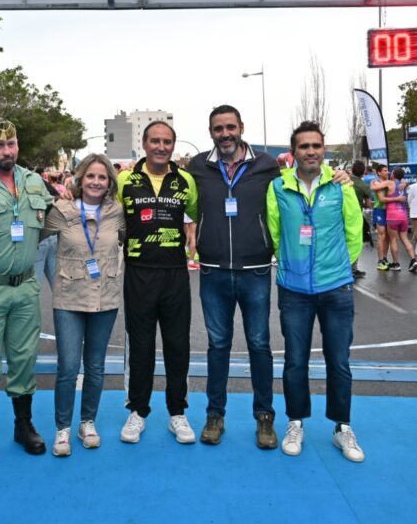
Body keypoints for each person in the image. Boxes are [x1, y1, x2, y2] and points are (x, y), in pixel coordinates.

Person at [266, 122, 364, 462]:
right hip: (294, 290)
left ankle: (342, 428)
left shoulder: (340, 185)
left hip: (336, 287)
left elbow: (354, 228)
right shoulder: (277, 187)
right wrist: (292, 265)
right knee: (295, 362)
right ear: (294, 152)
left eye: (316, 146)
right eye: (304, 146)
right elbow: (275, 232)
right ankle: (296, 422)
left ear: (324, 150)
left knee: (339, 361)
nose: (310, 151)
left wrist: (340, 267)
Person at [189, 105, 282, 449]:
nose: (225, 133)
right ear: (210, 131)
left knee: (259, 344)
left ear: (241, 127)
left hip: (255, 270)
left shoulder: (267, 165)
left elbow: (298, 184)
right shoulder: (199, 166)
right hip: (212, 271)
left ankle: (265, 418)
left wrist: (340, 175)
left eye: (230, 127)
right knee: (217, 346)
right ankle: (215, 415)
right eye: (218, 128)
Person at [0, 119, 54, 465]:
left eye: (12, 144)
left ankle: (23, 425)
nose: (7, 151)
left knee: (23, 361)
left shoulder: (34, 182)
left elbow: (53, 223)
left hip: (25, 287)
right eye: (0, 145)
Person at [117, 121, 199, 445]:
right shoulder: (125, 179)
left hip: (175, 273)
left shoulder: (186, 181)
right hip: (138, 272)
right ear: (144, 143)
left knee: (178, 345)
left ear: (173, 146)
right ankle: (138, 411)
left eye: (167, 142)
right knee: (140, 346)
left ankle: (177, 412)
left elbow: (193, 216)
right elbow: (107, 211)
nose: (161, 147)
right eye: (155, 141)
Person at [41, 154, 125, 456]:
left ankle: (87, 422)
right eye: (91, 176)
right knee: (67, 366)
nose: (96, 182)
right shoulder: (60, 211)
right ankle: (62, 426)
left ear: (110, 182)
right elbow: (35, 241)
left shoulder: (117, 211)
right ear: (79, 178)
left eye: (102, 177)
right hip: (68, 298)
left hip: (106, 298)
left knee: (96, 367)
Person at [350, 161, 374, 256]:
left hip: (341, 214)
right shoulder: (364, 185)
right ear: (364, 172)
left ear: (352, 170)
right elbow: (368, 205)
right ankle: (354, 267)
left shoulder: (344, 181)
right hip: (356, 215)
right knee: (355, 240)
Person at [370, 164, 391, 270]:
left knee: (387, 235)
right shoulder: (375, 182)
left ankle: (385, 258)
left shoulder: (389, 181)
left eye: (387, 170)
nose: (387, 172)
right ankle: (380, 260)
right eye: (384, 170)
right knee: (382, 235)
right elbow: (381, 198)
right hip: (379, 210)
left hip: (389, 211)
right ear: (379, 172)